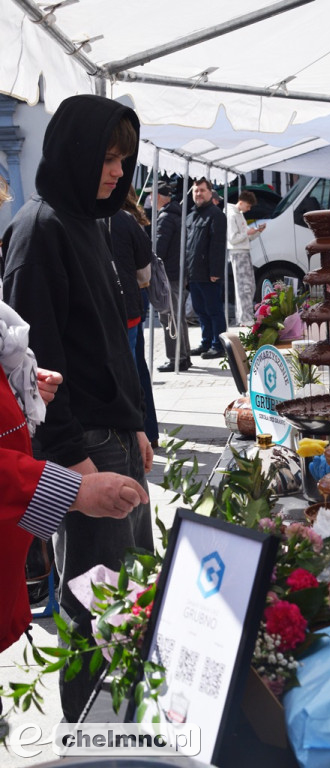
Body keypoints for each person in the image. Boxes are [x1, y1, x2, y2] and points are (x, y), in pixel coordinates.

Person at [1, 94, 154, 721]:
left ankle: (126, 724)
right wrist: (77, 468)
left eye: (124, 159)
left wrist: (136, 424)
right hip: (84, 449)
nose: (118, 171)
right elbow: (33, 376)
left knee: (130, 596)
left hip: (114, 438)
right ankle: (93, 736)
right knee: (95, 602)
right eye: (106, 157)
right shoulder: (39, 232)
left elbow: (112, 345)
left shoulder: (90, 223)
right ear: (74, 152)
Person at [186, 177, 227, 359]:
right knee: (201, 311)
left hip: (209, 274)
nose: (198, 194)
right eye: (196, 191)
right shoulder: (191, 215)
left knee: (214, 311)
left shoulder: (216, 215)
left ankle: (218, 345)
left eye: (202, 190)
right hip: (194, 273)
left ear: (210, 193)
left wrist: (215, 272)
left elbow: (217, 246)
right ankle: (206, 342)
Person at [110, 185, 152, 360]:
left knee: (131, 356)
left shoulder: (124, 219)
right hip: (133, 290)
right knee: (135, 354)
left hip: (128, 291)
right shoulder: (130, 218)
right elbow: (143, 257)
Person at [154, 181, 192, 372]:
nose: (150, 199)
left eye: (152, 195)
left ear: (159, 196)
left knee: (169, 318)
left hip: (168, 274)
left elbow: (159, 249)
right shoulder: (175, 214)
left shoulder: (166, 218)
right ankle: (183, 356)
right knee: (178, 316)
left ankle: (176, 358)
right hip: (177, 272)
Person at [227, 190, 266, 326]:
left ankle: (245, 317)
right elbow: (233, 238)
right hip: (238, 252)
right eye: (248, 206)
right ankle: (245, 319)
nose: (249, 209)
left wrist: (256, 232)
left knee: (248, 285)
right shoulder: (232, 215)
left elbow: (244, 236)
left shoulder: (239, 214)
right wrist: (247, 233)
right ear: (241, 202)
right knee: (244, 286)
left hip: (243, 251)